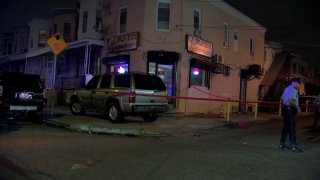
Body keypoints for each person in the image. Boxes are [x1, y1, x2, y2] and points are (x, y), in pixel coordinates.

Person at [279, 77, 303, 152]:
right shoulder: (293, 89)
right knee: (292, 128)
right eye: (299, 83)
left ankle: (282, 144)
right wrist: (298, 108)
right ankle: (293, 145)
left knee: (286, 127)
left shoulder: (287, 88)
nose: (299, 85)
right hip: (290, 109)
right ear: (295, 82)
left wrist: (284, 107)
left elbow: (282, 98)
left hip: (286, 109)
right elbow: (291, 100)